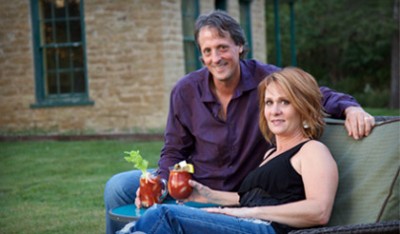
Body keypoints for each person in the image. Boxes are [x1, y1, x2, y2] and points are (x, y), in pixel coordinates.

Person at [104, 10, 374, 233]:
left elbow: (311, 94)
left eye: (223, 48)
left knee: (158, 219)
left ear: (240, 46)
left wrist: (350, 108)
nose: (216, 58)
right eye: (207, 51)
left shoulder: (267, 82)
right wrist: (166, 184)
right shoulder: (186, 91)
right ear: (201, 56)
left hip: (243, 198)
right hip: (202, 186)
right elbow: (173, 150)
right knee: (118, 187)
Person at [119, 67, 339, 234]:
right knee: (140, 226)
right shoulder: (270, 153)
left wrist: (248, 213)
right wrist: (208, 195)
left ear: (303, 108)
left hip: (264, 229)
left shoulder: (312, 151)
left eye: (284, 102)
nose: (274, 111)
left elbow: (319, 211)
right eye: (269, 103)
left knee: (163, 216)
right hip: (245, 222)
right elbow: (250, 198)